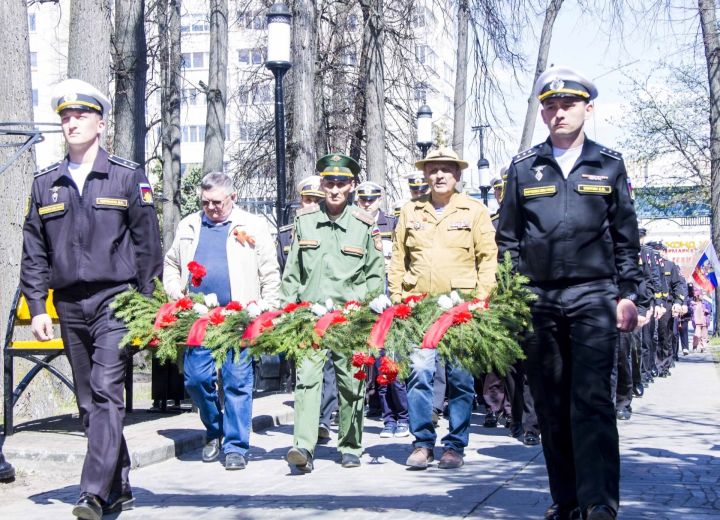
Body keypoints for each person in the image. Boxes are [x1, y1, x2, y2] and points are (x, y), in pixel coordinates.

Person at [496, 66, 642, 520]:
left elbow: (625, 237)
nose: (558, 113)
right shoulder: (524, 168)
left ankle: (599, 502)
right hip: (537, 299)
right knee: (551, 402)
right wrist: (512, 296)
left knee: (593, 400)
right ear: (542, 113)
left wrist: (629, 293)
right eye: (550, 106)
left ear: (587, 108)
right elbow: (508, 241)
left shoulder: (609, 164)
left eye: (568, 105)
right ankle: (567, 500)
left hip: (594, 295)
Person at [20, 78, 163, 519]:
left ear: (101, 124)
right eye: (65, 117)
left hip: (115, 300)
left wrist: (145, 308)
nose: (72, 123)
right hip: (67, 303)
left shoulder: (125, 175)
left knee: (105, 390)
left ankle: (92, 494)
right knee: (88, 400)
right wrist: (39, 307)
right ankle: (118, 483)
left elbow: (148, 246)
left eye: (81, 115)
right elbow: (34, 251)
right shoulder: (47, 183)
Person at [388, 147, 498, 470]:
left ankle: (455, 445)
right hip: (420, 309)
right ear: (425, 174)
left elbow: (488, 258)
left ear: (458, 176)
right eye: (433, 169)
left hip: (461, 310)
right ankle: (422, 443)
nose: (438, 175)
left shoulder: (474, 211)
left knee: (461, 379)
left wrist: (481, 298)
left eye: (446, 170)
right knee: (420, 375)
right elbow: (397, 260)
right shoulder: (410, 212)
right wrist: (397, 296)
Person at [164, 172, 280, 471]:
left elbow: (269, 271)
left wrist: (267, 307)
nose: (211, 208)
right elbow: (172, 263)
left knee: (237, 381)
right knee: (196, 378)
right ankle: (214, 429)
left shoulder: (253, 225)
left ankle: (236, 446)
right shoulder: (190, 225)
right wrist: (178, 294)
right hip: (200, 316)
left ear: (233, 197)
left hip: (240, 316)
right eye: (206, 202)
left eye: (217, 202)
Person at [281, 153, 385, 472]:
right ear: (322, 184)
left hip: (348, 319)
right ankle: (303, 446)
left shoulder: (364, 225)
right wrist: (288, 312)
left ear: (352, 186)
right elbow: (292, 273)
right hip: (311, 318)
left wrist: (365, 311)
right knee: (307, 380)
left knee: (351, 383)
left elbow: (374, 274)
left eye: (341, 182)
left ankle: (351, 445)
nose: (335, 188)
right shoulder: (305, 221)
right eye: (329, 182)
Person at [355, 181, 410, 438]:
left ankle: (403, 417)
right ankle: (388, 418)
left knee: (394, 361)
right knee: (377, 363)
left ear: (379, 199)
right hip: (368, 301)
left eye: (372, 199)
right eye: (363, 199)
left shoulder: (392, 224)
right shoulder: (353, 225)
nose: (367, 203)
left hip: (392, 298)